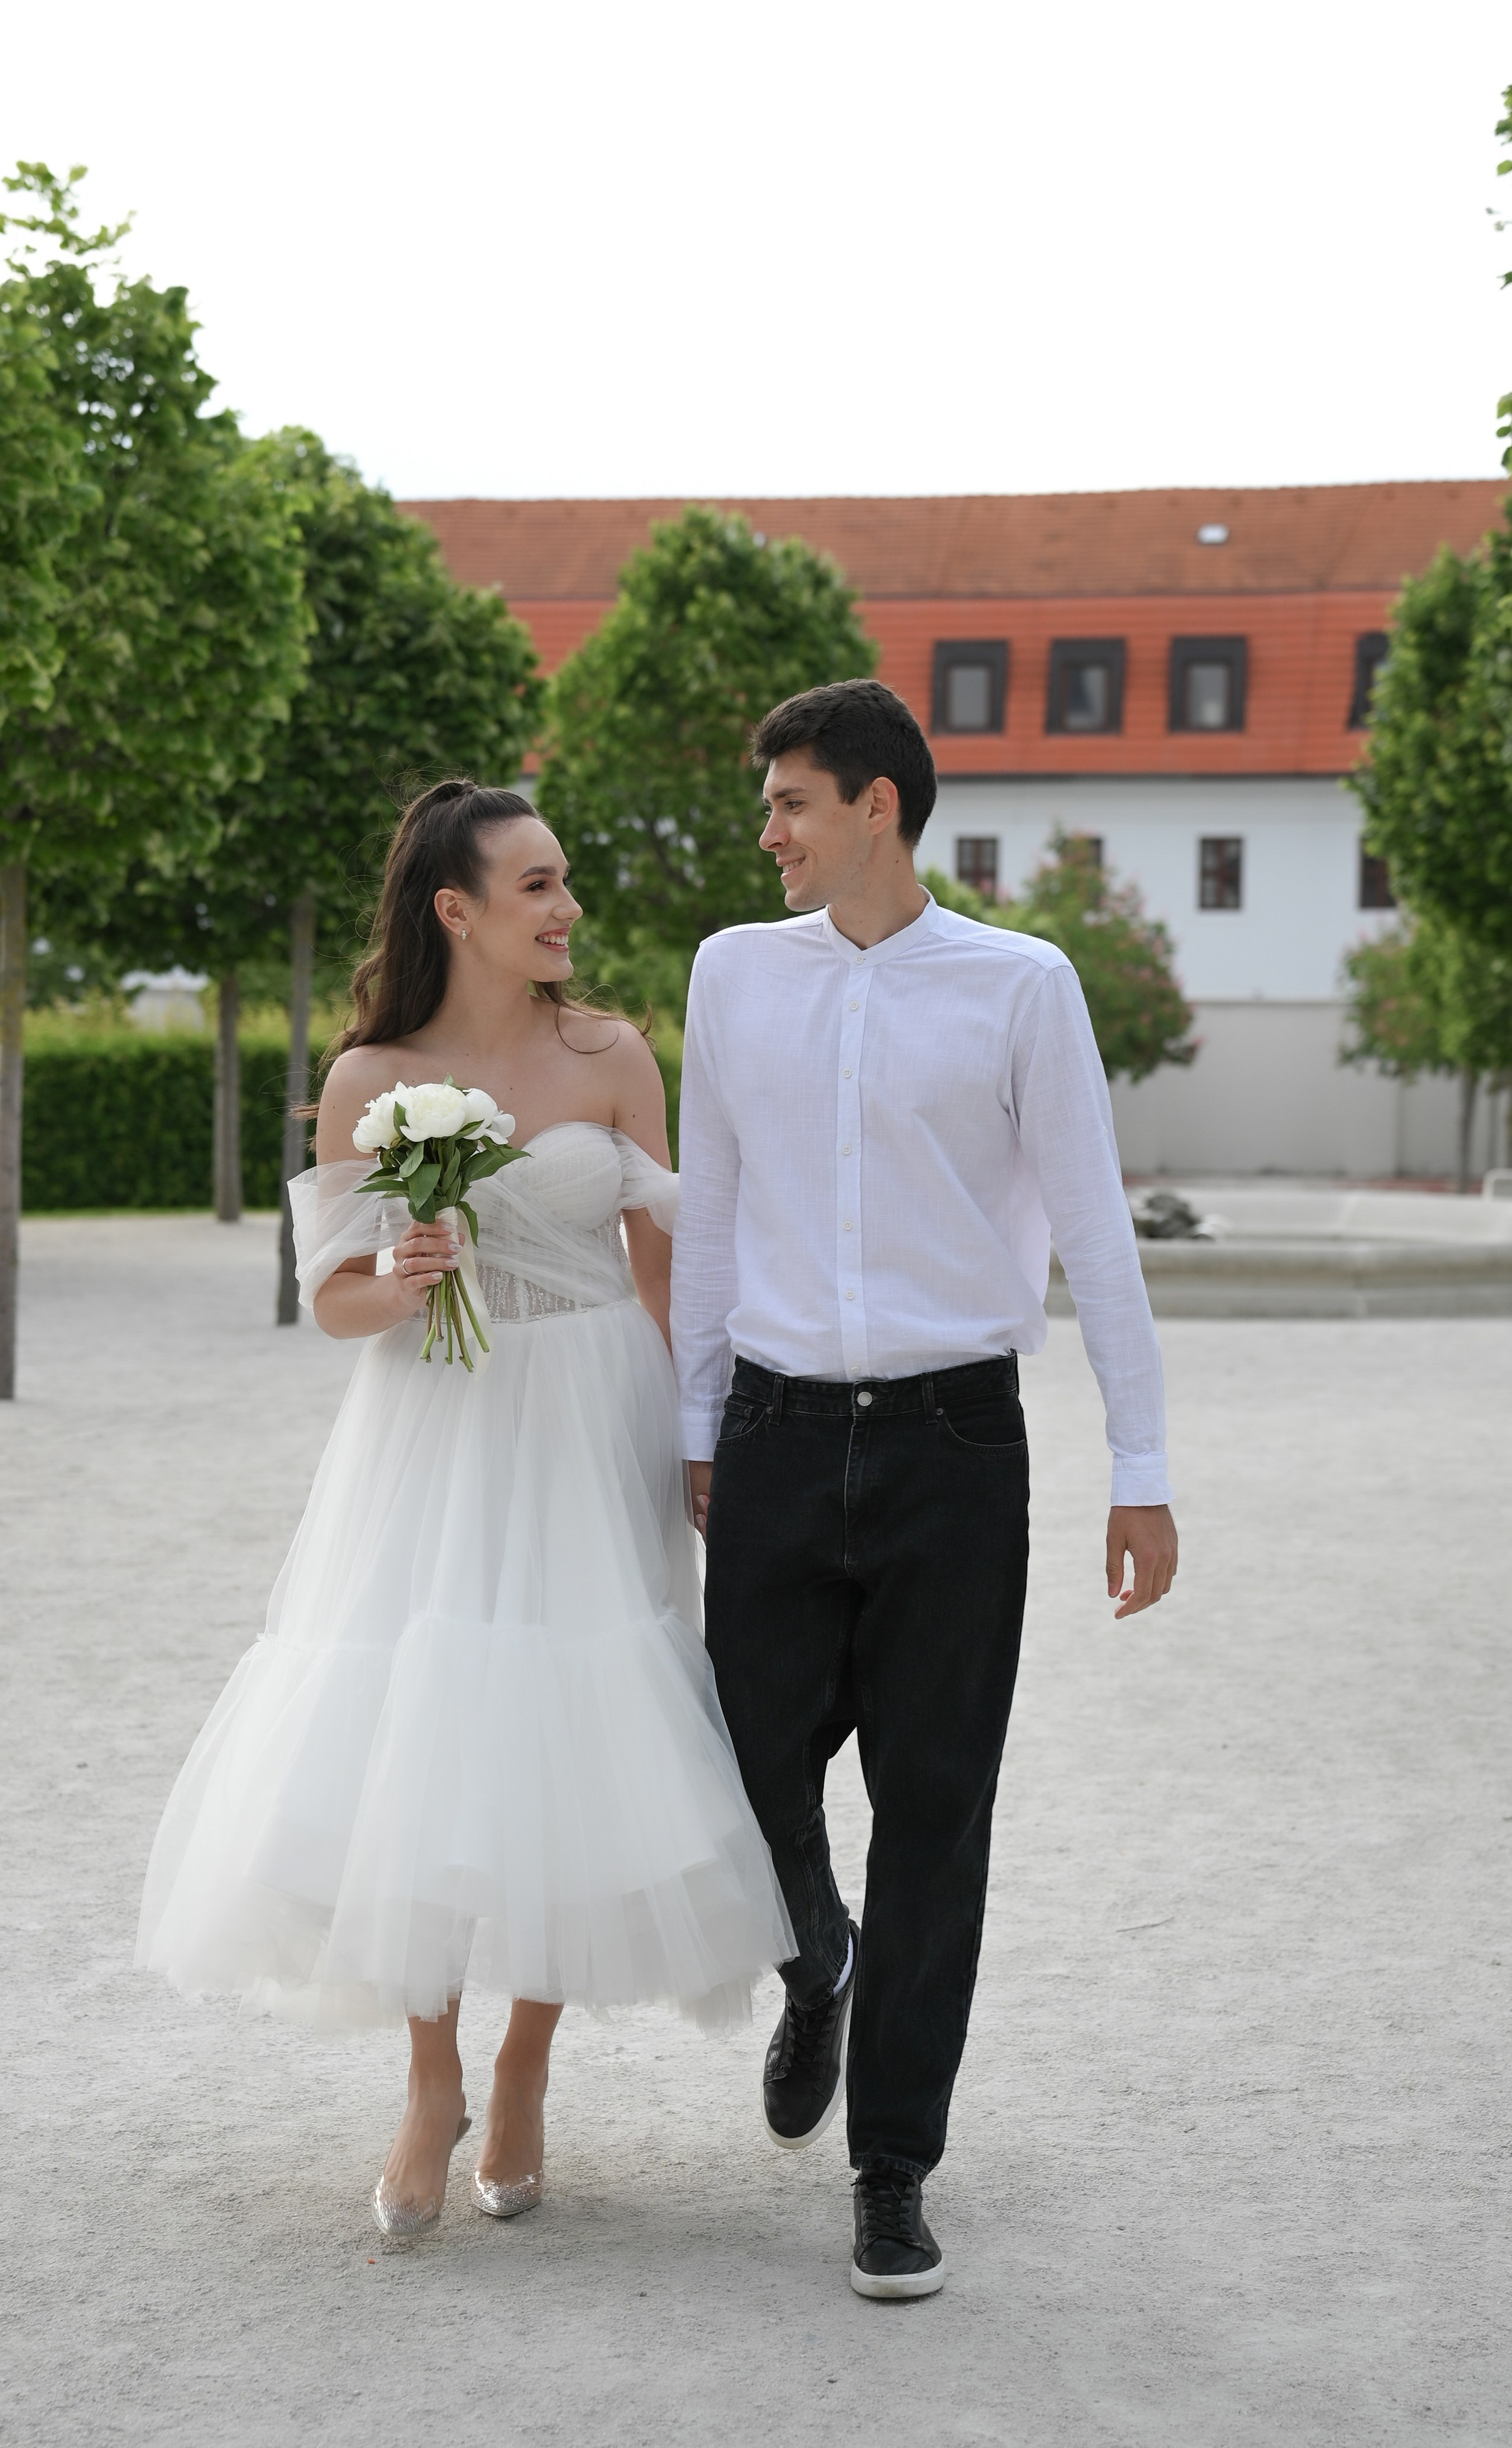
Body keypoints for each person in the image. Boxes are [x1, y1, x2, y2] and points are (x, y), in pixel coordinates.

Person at [137, 779, 792, 2236]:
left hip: (591, 1416)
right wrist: (407, 1275)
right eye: (537, 886)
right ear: (456, 908)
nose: (566, 910)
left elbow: (670, 1264)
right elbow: (333, 1300)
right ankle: (427, 2076)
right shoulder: (374, 1075)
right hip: (434, 1426)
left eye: (566, 883)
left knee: (577, 1731)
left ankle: (522, 2065)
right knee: (419, 1737)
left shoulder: (614, 1052)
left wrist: (701, 1437)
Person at [672, 679, 1178, 2302]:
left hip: (953, 1448)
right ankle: (808, 1956)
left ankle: (891, 2168)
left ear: (876, 804)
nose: (767, 831)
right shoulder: (730, 976)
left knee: (934, 1817)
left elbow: (1094, 1234)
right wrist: (696, 1422)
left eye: (791, 802)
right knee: (743, 1768)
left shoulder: (1021, 987)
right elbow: (713, 1209)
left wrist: (1140, 1465)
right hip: (765, 1432)